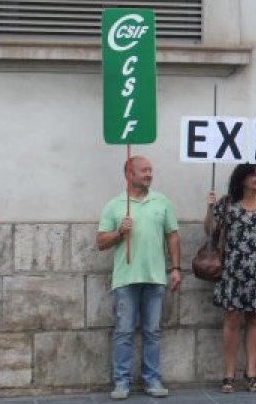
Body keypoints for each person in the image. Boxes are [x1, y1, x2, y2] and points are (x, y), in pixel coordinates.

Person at [96, 156, 181, 400]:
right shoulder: (115, 205)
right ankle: (121, 381)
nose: (149, 174)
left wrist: (175, 268)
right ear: (129, 174)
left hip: (155, 278)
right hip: (125, 279)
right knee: (124, 331)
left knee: (152, 331)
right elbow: (100, 241)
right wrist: (119, 232)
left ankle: (152, 379)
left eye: (150, 170)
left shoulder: (161, 201)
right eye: (144, 170)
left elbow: (172, 236)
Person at [205, 163, 256, 393]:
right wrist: (209, 208)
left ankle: (251, 372)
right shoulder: (227, 204)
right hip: (233, 271)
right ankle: (228, 374)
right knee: (232, 318)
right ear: (242, 179)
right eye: (253, 174)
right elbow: (210, 231)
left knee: (255, 318)